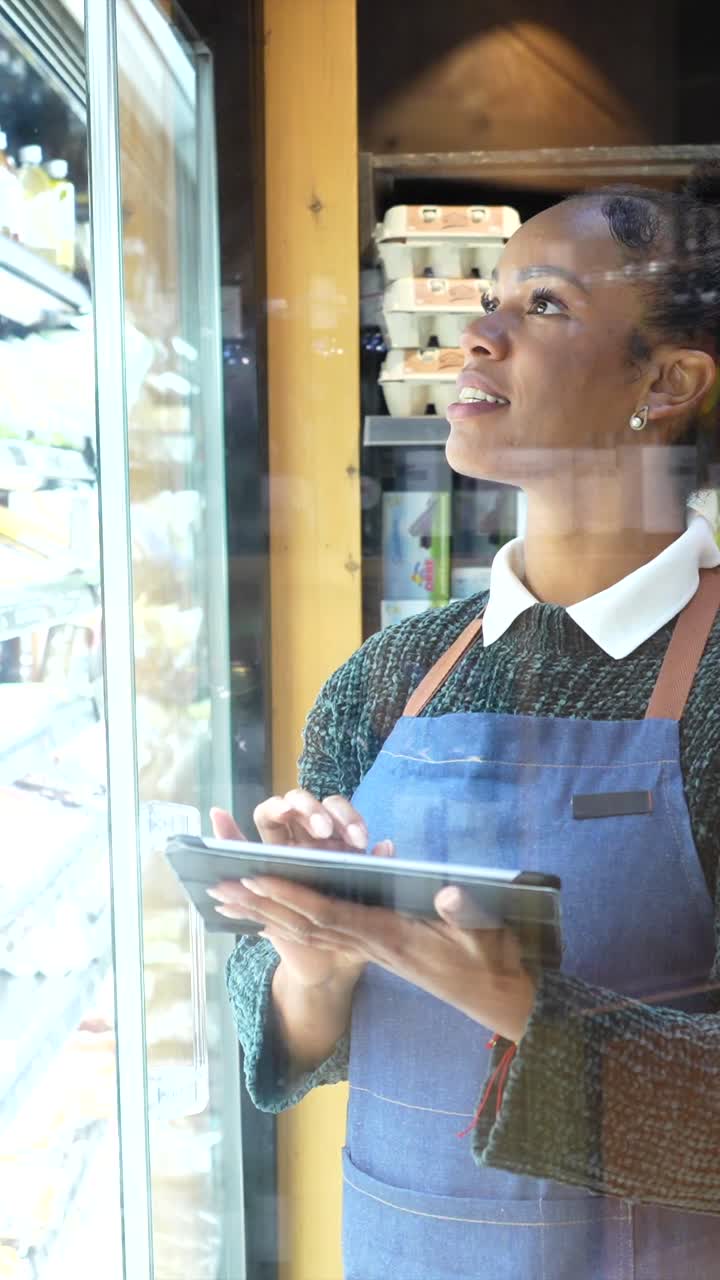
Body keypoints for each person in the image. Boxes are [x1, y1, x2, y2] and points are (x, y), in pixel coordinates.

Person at [211, 169, 720, 1280]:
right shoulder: (382, 679)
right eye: (486, 297)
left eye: (540, 305)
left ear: (670, 380)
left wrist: (522, 1006)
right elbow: (290, 1044)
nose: (477, 335)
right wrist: (311, 954)